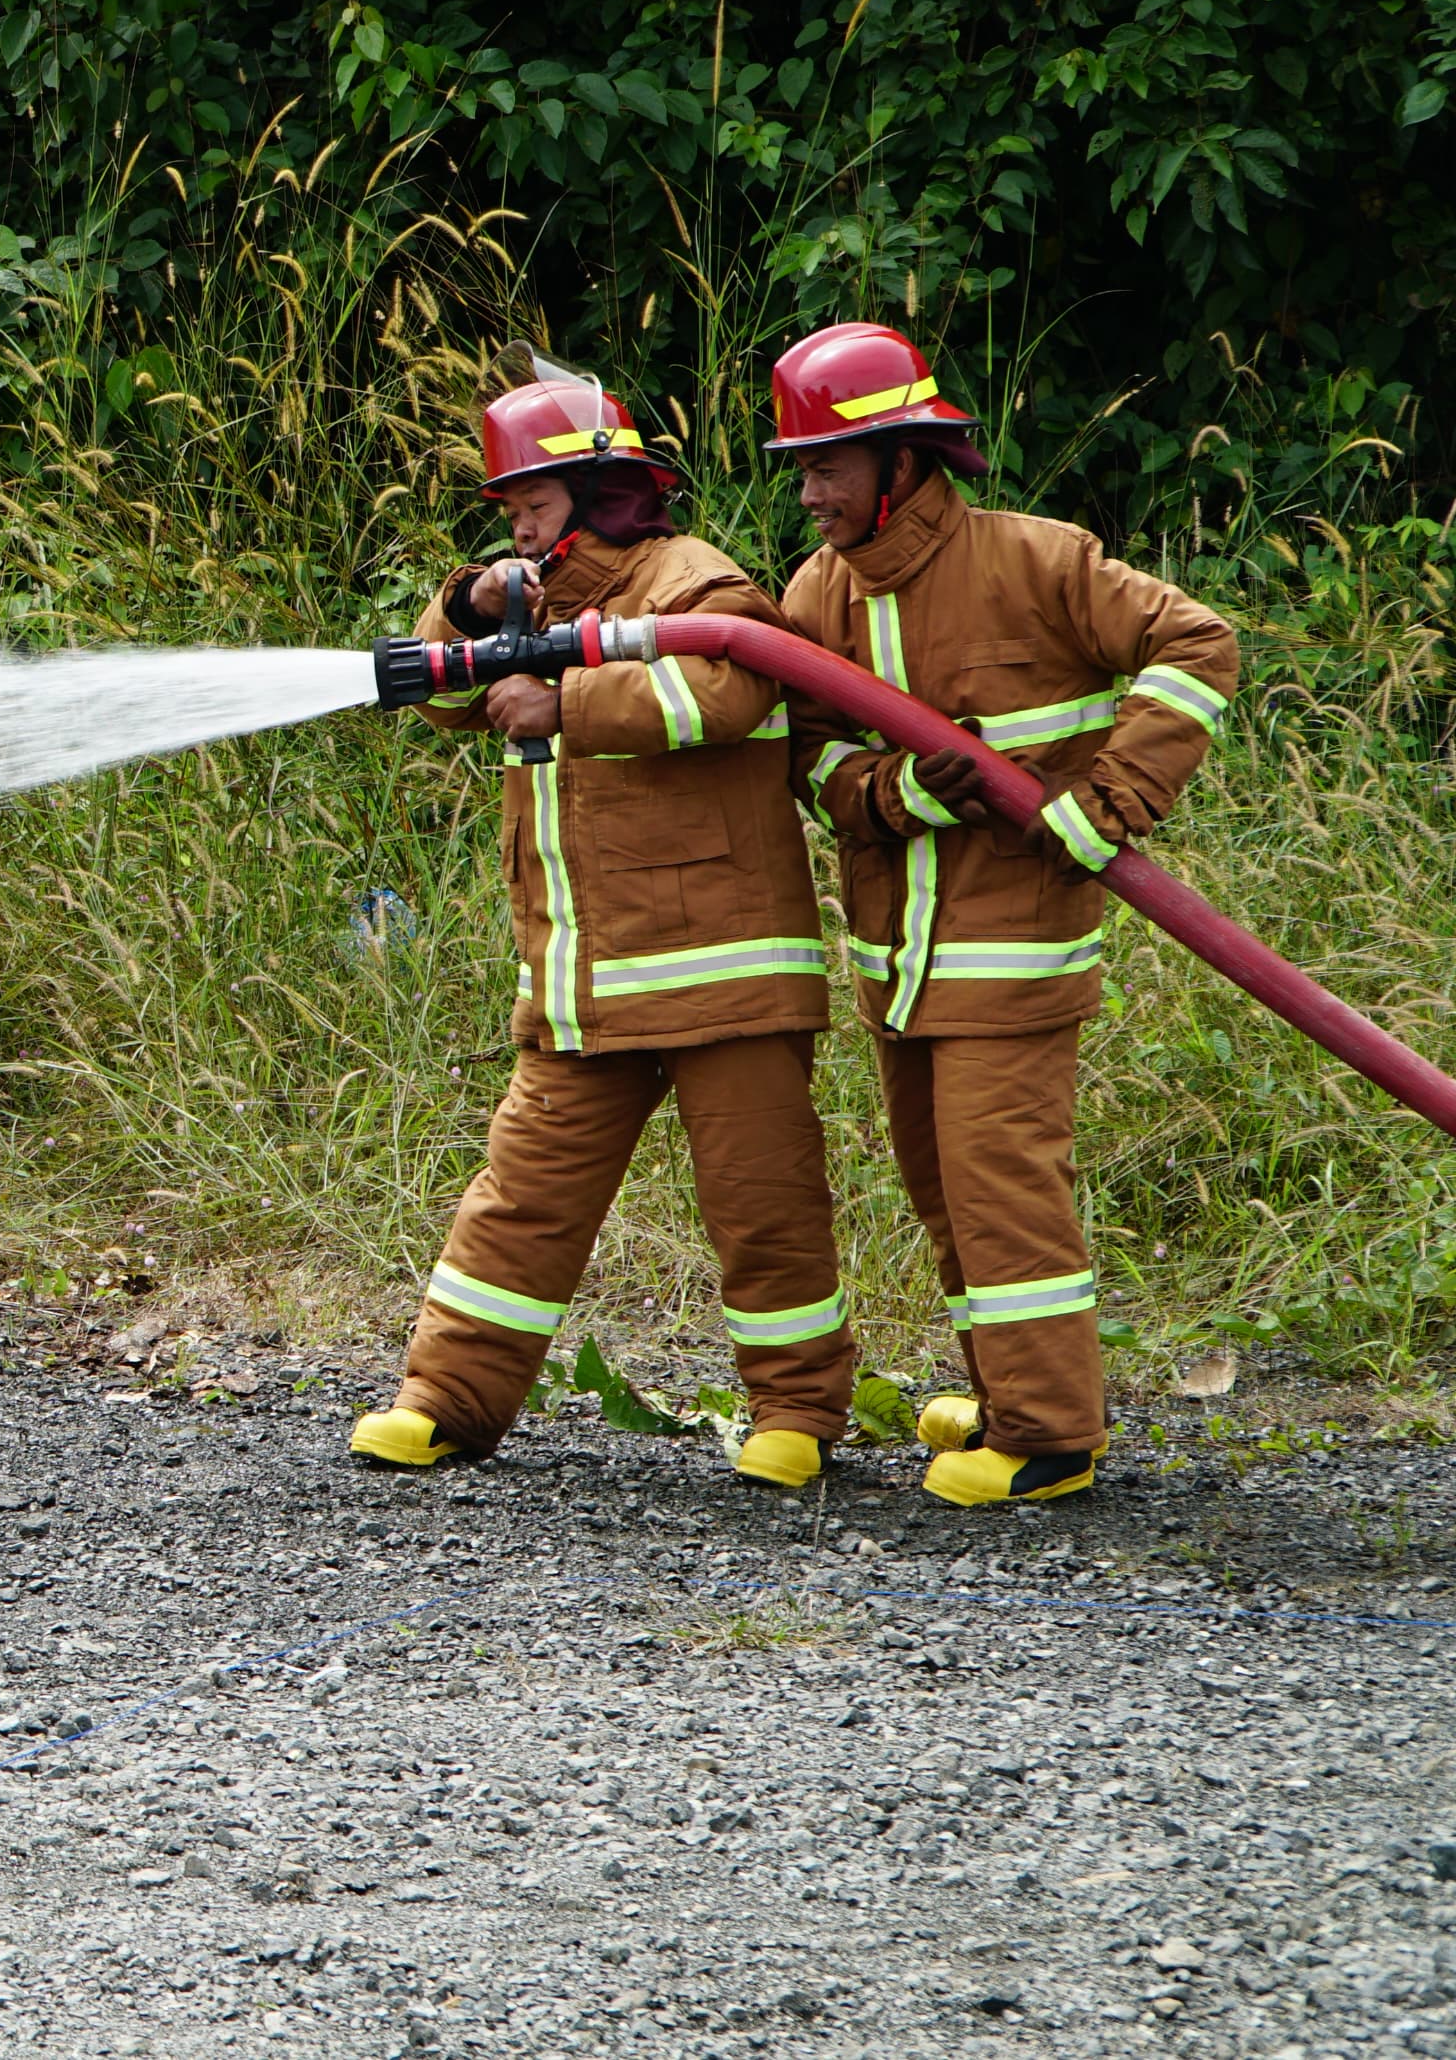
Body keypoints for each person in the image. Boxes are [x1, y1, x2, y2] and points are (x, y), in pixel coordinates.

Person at [350, 369, 855, 1486]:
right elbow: (439, 697)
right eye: (509, 509)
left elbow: (730, 694)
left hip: (724, 971)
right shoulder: (534, 591)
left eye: (532, 500)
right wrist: (471, 609)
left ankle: (796, 1414)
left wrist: (565, 701)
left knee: (760, 1203)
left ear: (594, 486)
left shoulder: (693, 579)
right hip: (586, 978)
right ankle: (444, 1400)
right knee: (522, 1200)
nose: (517, 524)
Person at [768, 322, 1237, 1507]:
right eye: (802, 469)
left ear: (901, 462)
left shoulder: (1036, 563)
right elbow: (811, 763)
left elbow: (1197, 645)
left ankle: (1048, 1438)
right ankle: (1000, 1390)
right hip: (896, 964)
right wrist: (894, 790)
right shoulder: (815, 592)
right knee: (943, 1198)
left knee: (1000, 1192)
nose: (809, 491)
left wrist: (1108, 801)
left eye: (827, 466)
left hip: (1011, 950)